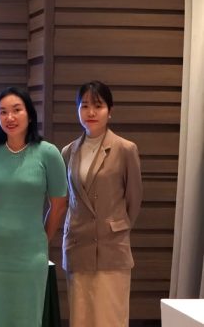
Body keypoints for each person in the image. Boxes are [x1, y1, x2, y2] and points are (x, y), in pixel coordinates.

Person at [0, 86, 68, 327]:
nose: (10, 117)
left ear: (30, 114)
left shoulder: (48, 153)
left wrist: (41, 238)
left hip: (31, 253)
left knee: (27, 318)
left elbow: (59, 204)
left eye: (17, 110)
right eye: (3, 112)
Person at [61, 81, 142, 327]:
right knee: (81, 319)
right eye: (84, 106)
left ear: (110, 110)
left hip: (111, 248)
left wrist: (115, 227)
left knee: (110, 319)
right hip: (78, 246)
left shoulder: (125, 149)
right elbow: (67, 200)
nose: (91, 112)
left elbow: (134, 200)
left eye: (98, 105)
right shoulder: (68, 152)